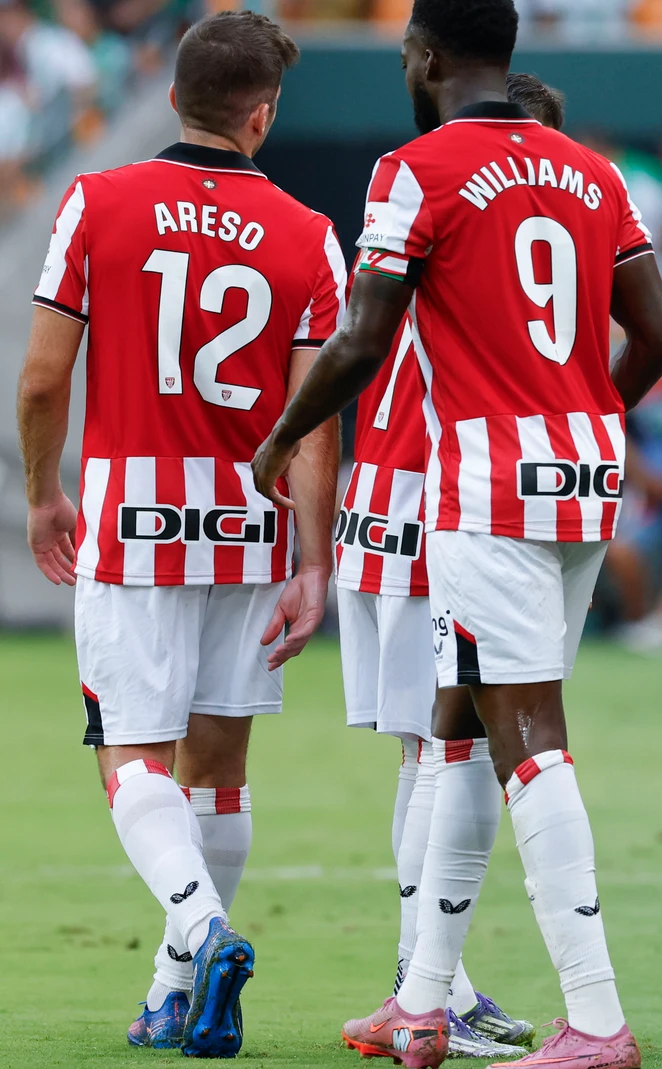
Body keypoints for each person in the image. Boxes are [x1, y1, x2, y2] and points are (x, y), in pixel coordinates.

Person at [252, 0, 662, 1064]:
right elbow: (660, 335)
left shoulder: (418, 171)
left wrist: (282, 436)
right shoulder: (595, 171)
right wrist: (585, 414)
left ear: (425, 56)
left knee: (525, 728)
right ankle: (424, 996)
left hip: (489, 483)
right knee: (454, 725)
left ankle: (595, 1017)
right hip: (585, 469)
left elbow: (361, 337)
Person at [15, 11, 339, 1057]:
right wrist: (313, 559)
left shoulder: (98, 200)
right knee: (220, 766)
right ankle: (171, 990)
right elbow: (313, 419)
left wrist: (41, 493)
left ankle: (200, 932)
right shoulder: (305, 232)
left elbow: (42, 378)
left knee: (131, 757)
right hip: (250, 522)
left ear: (169, 96)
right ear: (263, 113)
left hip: (132, 516)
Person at [330, 70, 571, 1064]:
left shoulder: (413, 211)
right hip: (442, 498)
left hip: (387, 498)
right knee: (447, 742)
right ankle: (430, 987)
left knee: (430, 746)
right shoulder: (483, 236)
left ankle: (423, 980)